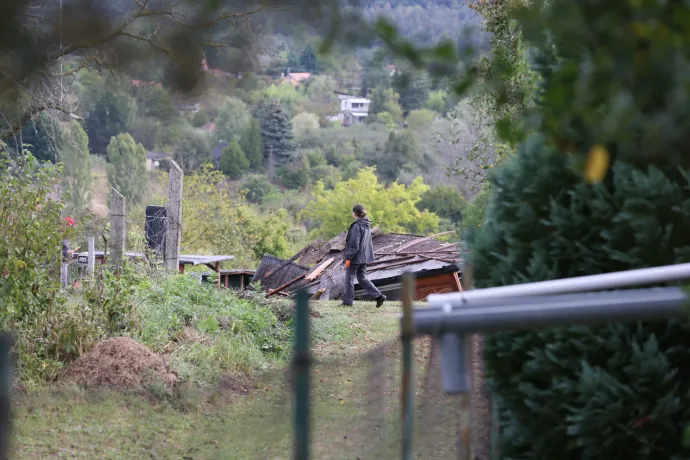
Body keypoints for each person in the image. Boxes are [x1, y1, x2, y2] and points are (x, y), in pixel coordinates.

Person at [342, 204, 386, 308]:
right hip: (364, 257)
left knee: (349, 279)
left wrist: (348, 258)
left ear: (354, 213)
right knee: (361, 278)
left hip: (355, 258)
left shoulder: (357, 226)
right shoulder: (366, 225)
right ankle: (379, 296)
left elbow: (354, 245)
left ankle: (348, 302)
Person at [61, 217, 76, 288]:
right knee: (62, 281)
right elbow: (57, 251)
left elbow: (64, 249)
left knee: (64, 280)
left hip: (64, 262)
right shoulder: (60, 236)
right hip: (60, 263)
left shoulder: (66, 237)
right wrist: (67, 251)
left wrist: (70, 253)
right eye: (70, 227)